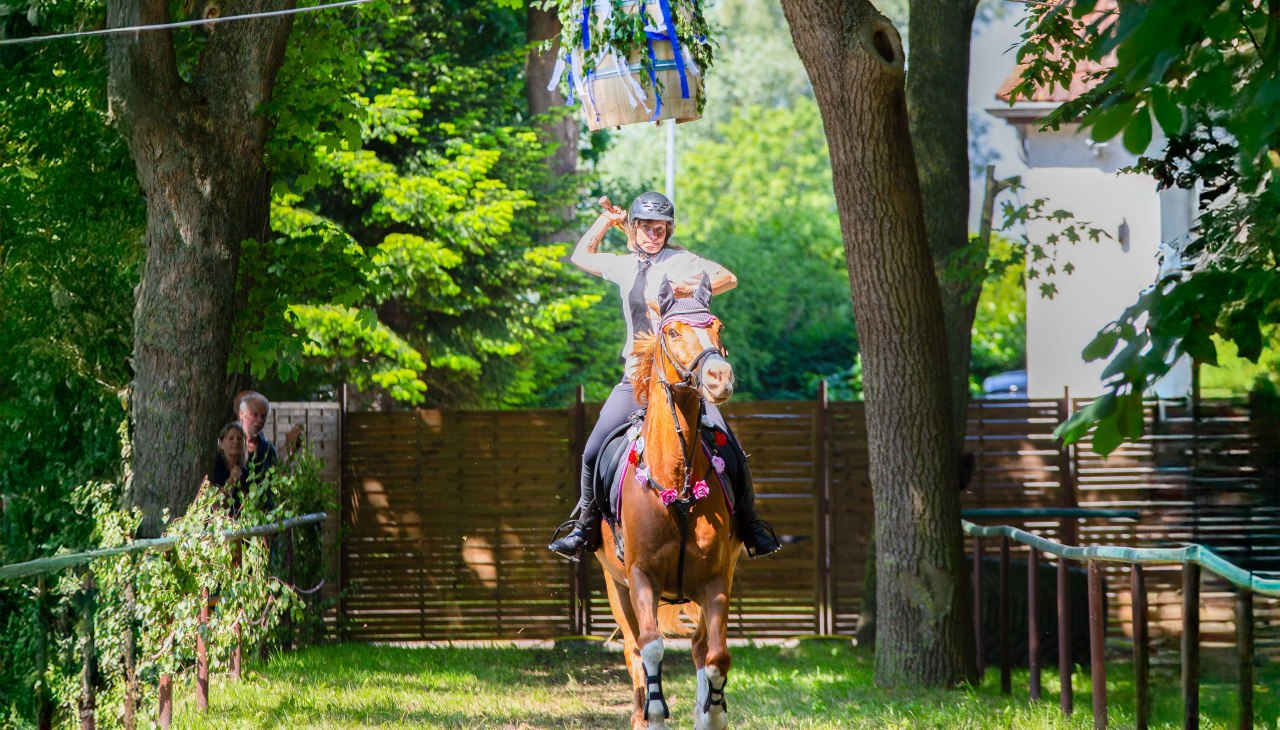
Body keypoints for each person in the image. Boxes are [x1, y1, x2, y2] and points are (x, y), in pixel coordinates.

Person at [548, 192, 781, 561]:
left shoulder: (681, 260)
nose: (653, 235)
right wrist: (606, 222)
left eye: (660, 229)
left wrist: (689, 288)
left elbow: (728, 277)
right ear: (634, 229)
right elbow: (581, 256)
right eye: (645, 228)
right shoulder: (624, 266)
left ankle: (752, 527)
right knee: (592, 450)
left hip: (683, 384)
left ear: (667, 230)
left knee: (731, 448)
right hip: (636, 380)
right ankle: (585, 527)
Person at [210, 421, 247, 488]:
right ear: (221, 444)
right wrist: (231, 480)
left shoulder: (245, 468)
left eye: (239, 438)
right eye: (231, 438)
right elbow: (216, 498)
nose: (236, 441)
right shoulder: (215, 466)